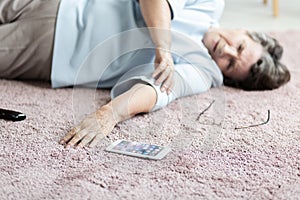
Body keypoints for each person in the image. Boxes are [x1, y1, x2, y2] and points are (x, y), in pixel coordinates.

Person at [0, 0, 290, 148]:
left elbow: (159, 91)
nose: (226, 51)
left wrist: (110, 114)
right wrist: (162, 46)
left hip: (53, 46)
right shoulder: (210, 3)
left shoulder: (204, 71)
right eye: (239, 45)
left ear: (226, 76)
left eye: (230, 64)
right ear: (245, 32)